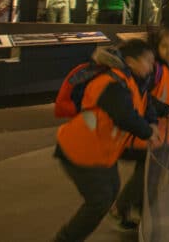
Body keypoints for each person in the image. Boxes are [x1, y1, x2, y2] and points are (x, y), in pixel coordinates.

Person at [53, 39, 162, 241]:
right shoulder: (113, 83)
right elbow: (123, 115)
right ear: (131, 62)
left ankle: (119, 209)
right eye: (147, 61)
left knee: (111, 188)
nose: (151, 66)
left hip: (102, 151)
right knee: (99, 201)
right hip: (80, 150)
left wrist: (152, 123)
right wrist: (147, 132)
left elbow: (146, 106)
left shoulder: (135, 82)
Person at [112, 28, 169, 230]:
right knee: (148, 176)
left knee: (149, 175)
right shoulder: (155, 70)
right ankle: (135, 209)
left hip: (163, 132)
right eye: (165, 46)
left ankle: (136, 209)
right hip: (150, 131)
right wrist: (164, 110)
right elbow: (147, 98)